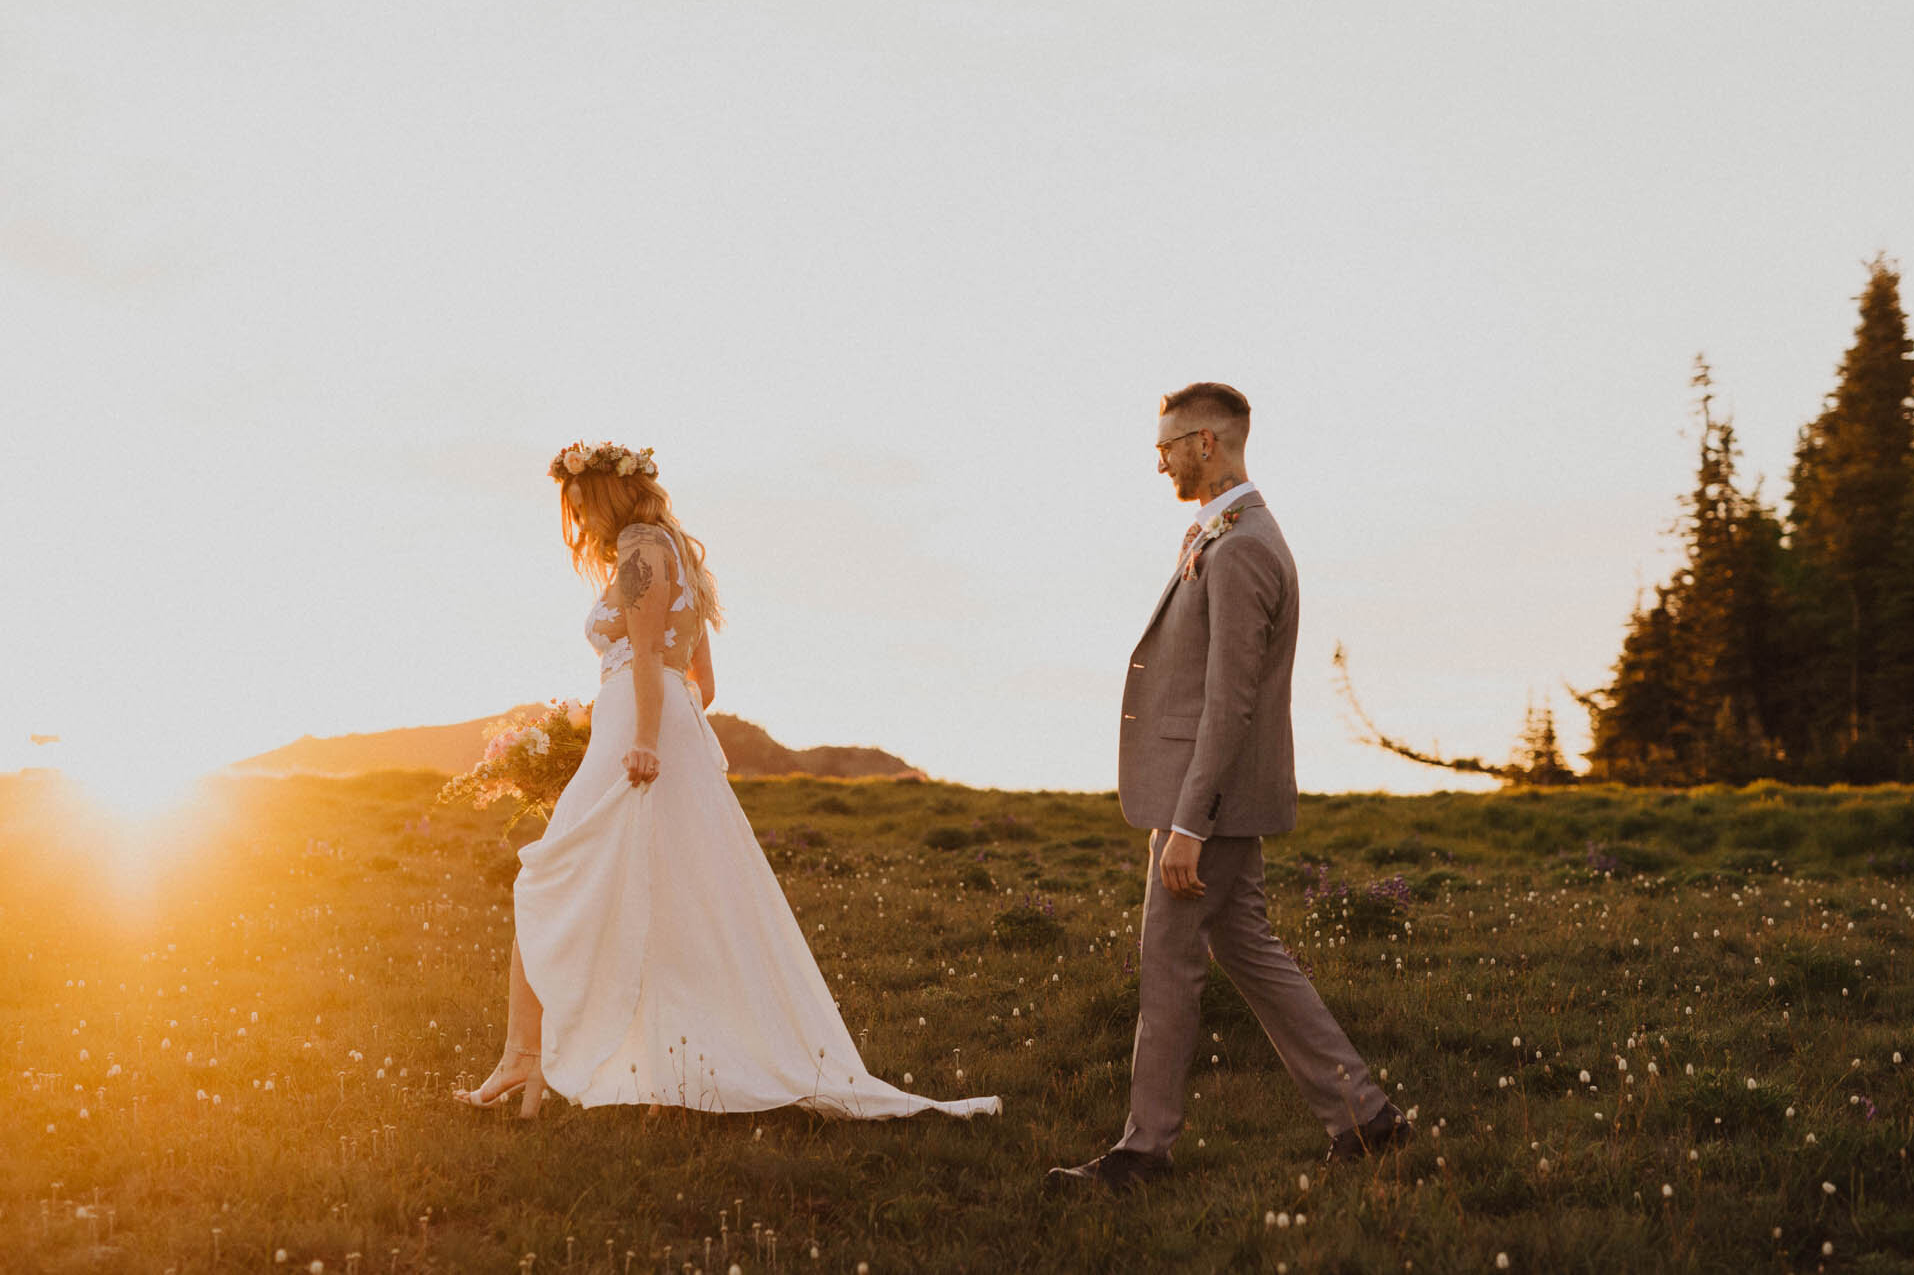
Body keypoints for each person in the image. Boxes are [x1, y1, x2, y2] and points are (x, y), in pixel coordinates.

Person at [455, 441, 1000, 1122]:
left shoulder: (637, 548)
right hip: (657, 722)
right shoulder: (674, 552)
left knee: (547, 880)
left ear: (604, 496)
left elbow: (649, 651)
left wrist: (643, 738)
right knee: (667, 899)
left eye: (579, 505)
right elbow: (703, 683)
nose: (577, 521)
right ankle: (622, 1063)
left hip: (643, 732)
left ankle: (524, 1058)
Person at [1048, 383, 1406, 1192]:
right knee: (1251, 951)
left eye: (1168, 445)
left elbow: (1231, 699)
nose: (1161, 460)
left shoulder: (1241, 546)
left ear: (1208, 443)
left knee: (1168, 967)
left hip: (1203, 803)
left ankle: (1144, 1153)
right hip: (1219, 800)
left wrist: (1190, 824)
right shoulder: (1229, 532)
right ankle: (1367, 1118)